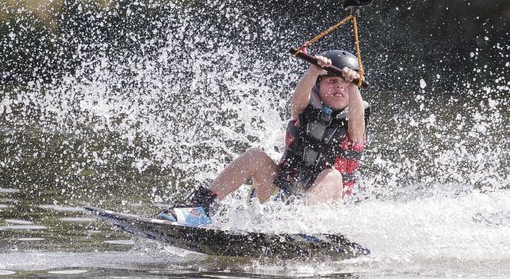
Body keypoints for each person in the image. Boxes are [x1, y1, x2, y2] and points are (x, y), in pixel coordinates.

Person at [158, 49, 369, 226]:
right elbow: (298, 100)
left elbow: (357, 126)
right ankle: (200, 210)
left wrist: (354, 84)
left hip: (322, 212)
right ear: (318, 87)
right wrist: (314, 70)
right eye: (331, 81)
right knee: (255, 156)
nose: (339, 87)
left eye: (345, 84)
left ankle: (298, 226)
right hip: (282, 196)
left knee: (333, 176)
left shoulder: (354, 125)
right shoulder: (303, 111)